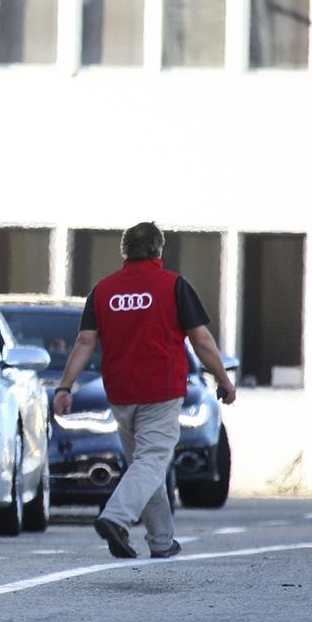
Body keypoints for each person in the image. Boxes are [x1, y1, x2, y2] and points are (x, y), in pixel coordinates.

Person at [54, 222, 237, 559]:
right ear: (159, 250)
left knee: (145, 464)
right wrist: (223, 380)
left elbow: (84, 342)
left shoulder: (103, 290)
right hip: (161, 390)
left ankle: (161, 540)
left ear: (124, 251)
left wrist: (65, 386)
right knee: (152, 460)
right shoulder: (174, 286)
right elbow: (202, 341)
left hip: (120, 392)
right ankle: (116, 517)